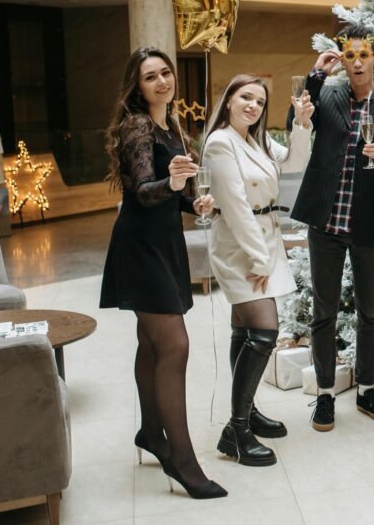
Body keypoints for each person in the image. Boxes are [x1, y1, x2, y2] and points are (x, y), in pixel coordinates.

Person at [100, 46, 226, 499]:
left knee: (152, 344)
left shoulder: (170, 124)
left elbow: (170, 195)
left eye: (166, 73)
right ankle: (183, 462)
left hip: (164, 242)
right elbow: (142, 192)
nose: (161, 81)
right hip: (141, 246)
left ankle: (151, 433)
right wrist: (172, 184)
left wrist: (194, 202)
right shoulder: (137, 125)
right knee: (175, 345)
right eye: (150, 76)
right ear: (137, 86)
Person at [288, 23, 374, 432]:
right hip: (325, 221)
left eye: (364, 55)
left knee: (370, 312)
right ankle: (325, 394)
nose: (357, 62)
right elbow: (295, 118)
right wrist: (316, 73)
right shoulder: (326, 94)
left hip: (368, 222)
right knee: (323, 312)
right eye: (350, 55)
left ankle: (366, 389)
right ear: (342, 58)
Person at [202, 74, 314, 466]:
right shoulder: (220, 143)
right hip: (240, 246)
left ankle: (246, 412)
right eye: (245, 97)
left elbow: (295, 162)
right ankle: (235, 430)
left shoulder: (257, 139)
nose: (253, 106)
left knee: (245, 330)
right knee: (265, 332)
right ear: (229, 100)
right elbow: (234, 206)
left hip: (265, 235)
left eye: (260, 101)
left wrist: (301, 123)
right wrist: (258, 259)